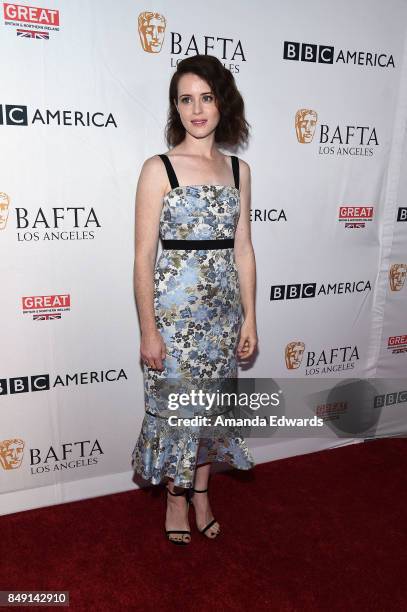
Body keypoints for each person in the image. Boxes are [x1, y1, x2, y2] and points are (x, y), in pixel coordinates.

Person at [131, 54, 257, 545]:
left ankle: (202, 493)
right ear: (176, 108)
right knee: (179, 410)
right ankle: (175, 496)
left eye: (206, 97)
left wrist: (250, 319)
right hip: (175, 317)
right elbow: (143, 257)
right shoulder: (158, 169)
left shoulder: (240, 170)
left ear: (222, 103)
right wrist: (148, 329)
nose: (197, 109)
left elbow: (243, 249)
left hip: (223, 316)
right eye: (186, 99)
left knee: (211, 412)